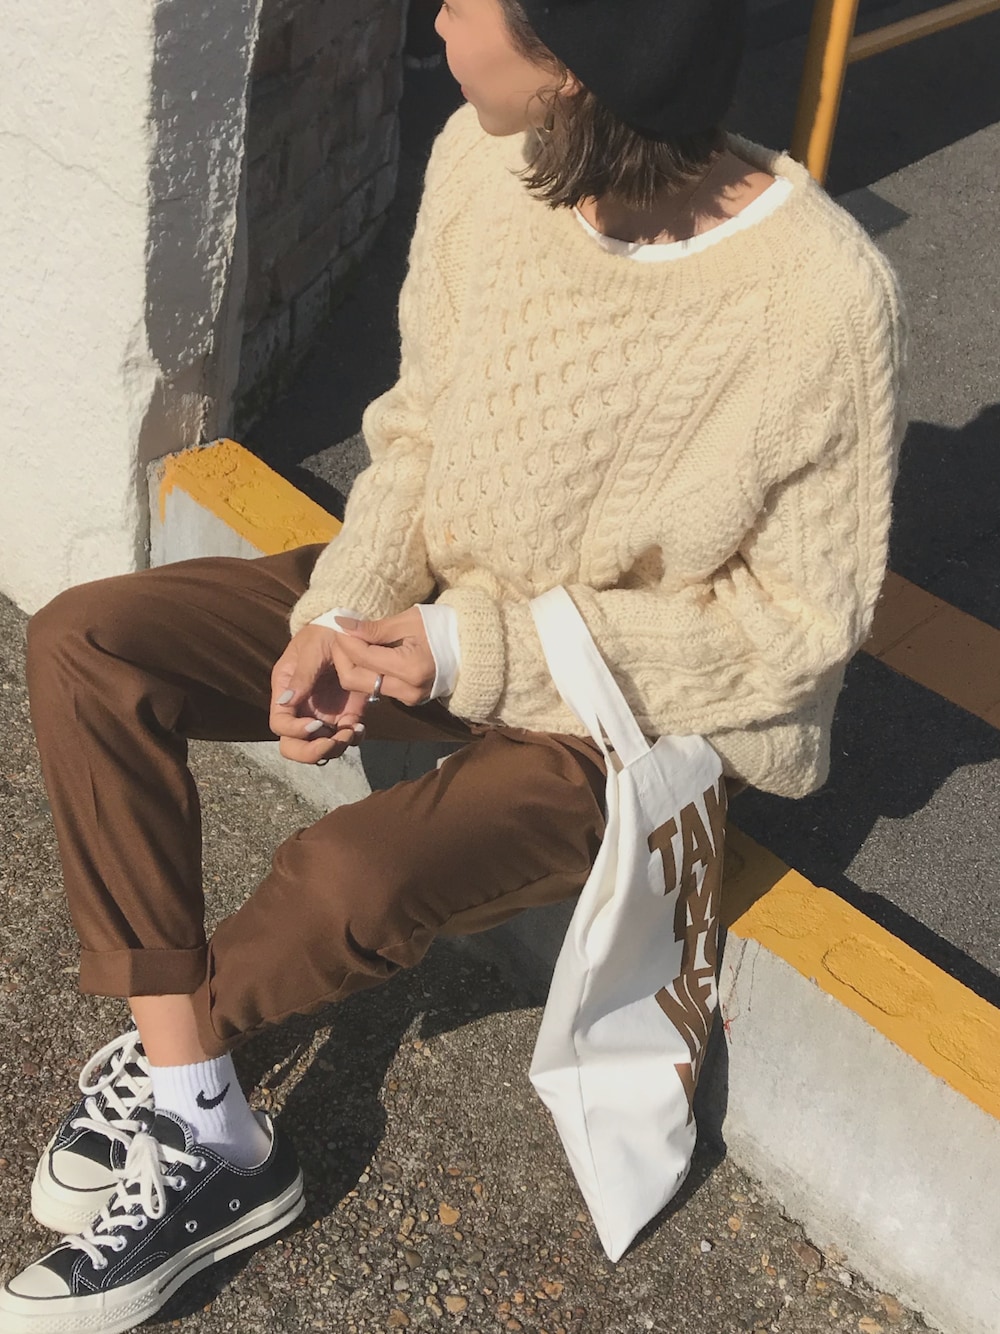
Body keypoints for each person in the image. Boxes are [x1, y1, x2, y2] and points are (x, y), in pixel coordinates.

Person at [1, 0, 906, 1327]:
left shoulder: (824, 301)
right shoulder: (483, 157)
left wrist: (474, 648)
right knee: (87, 642)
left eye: (475, 2)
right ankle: (203, 1107)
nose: (437, 14)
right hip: (429, 612)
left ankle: (180, 1073)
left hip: (621, 722)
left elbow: (791, 639)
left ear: (571, 68)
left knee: (343, 874)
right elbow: (417, 430)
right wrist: (340, 614)